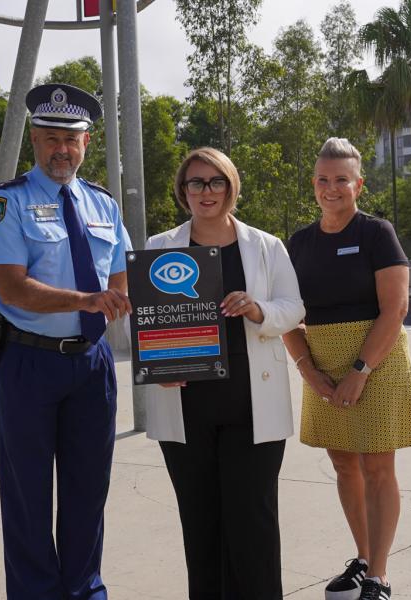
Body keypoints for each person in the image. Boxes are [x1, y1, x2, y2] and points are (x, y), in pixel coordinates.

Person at [0, 83, 132, 600]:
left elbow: (123, 277)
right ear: (35, 144)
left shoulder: (102, 205)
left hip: (92, 366)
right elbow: (11, 286)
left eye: (71, 138)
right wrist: (84, 301)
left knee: (89, 493)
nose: (61, 149)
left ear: (86, 143)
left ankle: (87, 591)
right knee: (28, 499)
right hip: (28, 363)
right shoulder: (7, 202)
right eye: (49, 139)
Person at [145, 147, 305, 599]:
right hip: (187, 407)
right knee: (200, 527)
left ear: (231, 186)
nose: (206, 191)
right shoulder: (158, 248)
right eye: (195, 183)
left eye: (216, 181)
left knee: (253, 526)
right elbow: (143, 320)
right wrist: (156, 363)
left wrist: (258, 309)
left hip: (251, 408)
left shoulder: (266, 246)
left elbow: (294, 307)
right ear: (183, 192)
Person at [282, 138, 411, 600]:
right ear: (313, 184)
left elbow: (395, 308)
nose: (331, 188)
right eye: (323, 179)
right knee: (343, 463)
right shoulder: (298, 243)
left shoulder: (376, 233)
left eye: (341, 179)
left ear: (359, 184)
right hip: (320, 363)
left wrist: (361, 369)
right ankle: (362, 559)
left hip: (375, 362)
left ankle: (379, 577)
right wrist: (308, 369)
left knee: (378, 465)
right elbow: (286, 315)